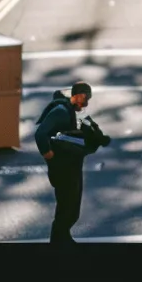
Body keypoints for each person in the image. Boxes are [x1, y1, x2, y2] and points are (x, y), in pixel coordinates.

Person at [35, 81, 97, 243]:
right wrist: (49, 155)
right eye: (84, 97)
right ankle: (59, 240)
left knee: (72, 208)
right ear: (76, 96)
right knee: (67, 206)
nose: (86, 102)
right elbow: (40, 134)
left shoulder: (71, 111)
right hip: (63, 167)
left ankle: (63, 237)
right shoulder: (61, 112)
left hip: (72, 164)